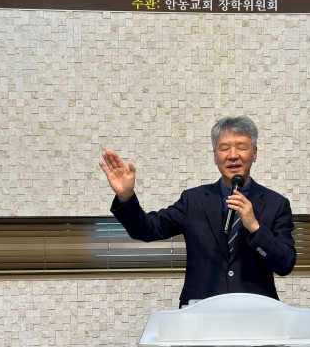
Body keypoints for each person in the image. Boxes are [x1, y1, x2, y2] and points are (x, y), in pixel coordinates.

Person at [99, 116, 296, 307]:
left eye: (242, 147)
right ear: (215, 156)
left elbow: (285, 264)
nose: (233, 155)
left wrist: (255, 227)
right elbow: (147, 229)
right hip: (200, 311)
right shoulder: (193, 200)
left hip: (257, 313)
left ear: (254, 153)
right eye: (224, 148)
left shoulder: (276, 204)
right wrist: (126, 196)